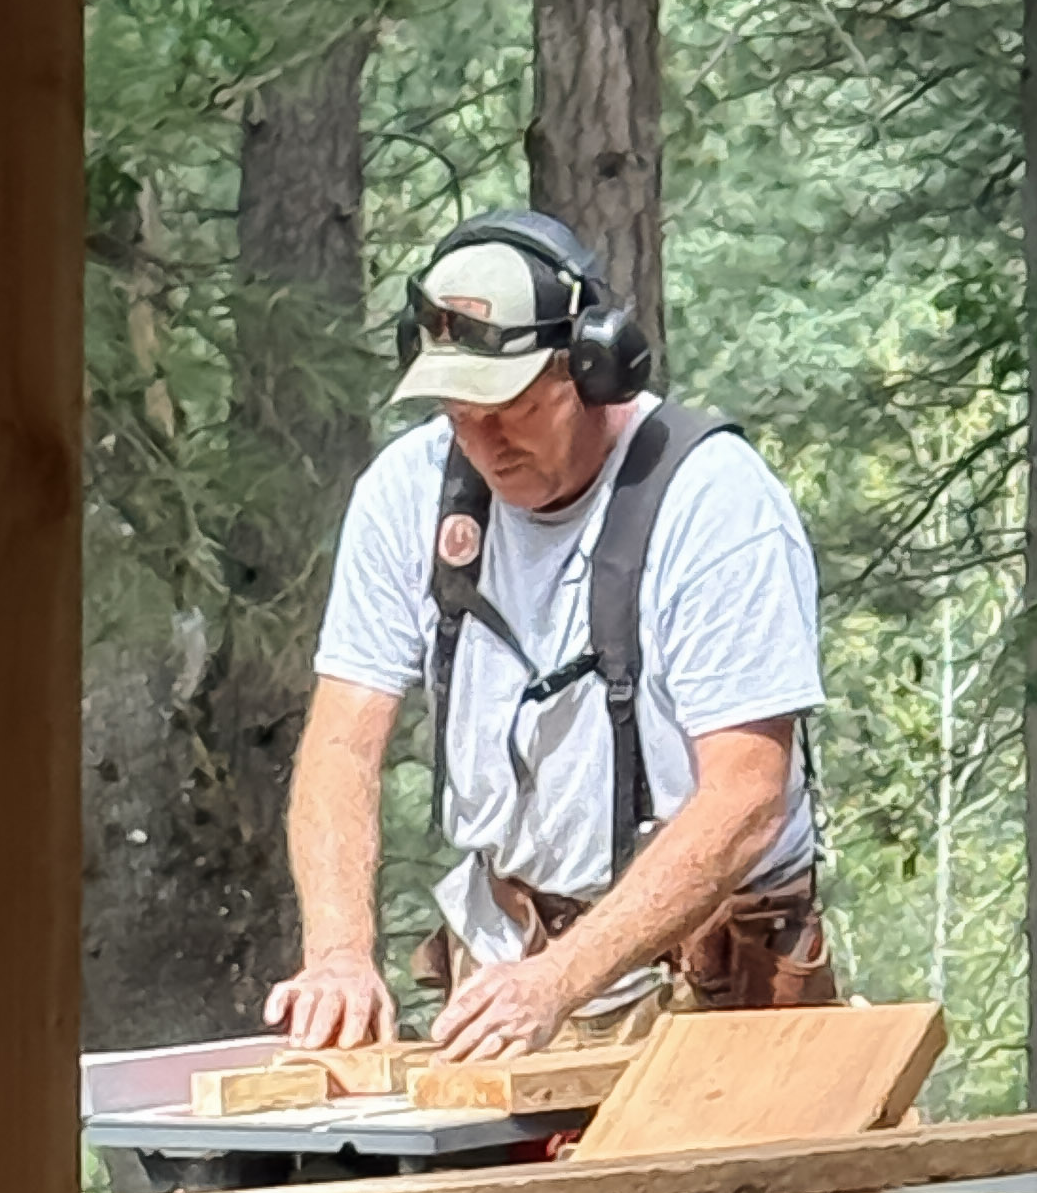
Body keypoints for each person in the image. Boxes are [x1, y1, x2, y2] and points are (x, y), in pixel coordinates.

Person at [267, 208, 833, 1055]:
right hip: (506, 969)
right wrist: (341, 956)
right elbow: (344, 741)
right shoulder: (407, 490)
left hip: (711, 982)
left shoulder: (713, 500)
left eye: (511, 408)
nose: (483, 440)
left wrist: (562, 981)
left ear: (595, 369)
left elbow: (746, 795)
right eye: (458, 412)